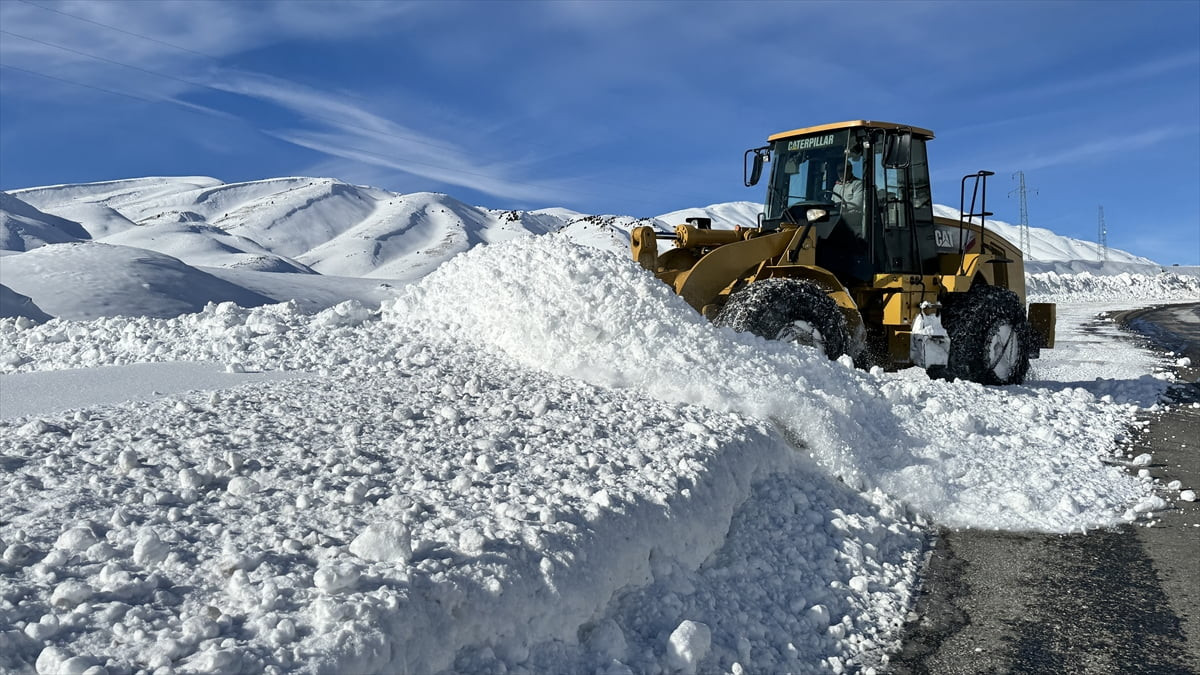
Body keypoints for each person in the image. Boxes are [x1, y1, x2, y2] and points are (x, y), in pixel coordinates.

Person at [831, 163, 865, 236]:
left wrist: (841, 206)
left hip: (853, 223)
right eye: (839, 171)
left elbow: (858, 203)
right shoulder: (836, 187)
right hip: (836, 220)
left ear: (850, 170)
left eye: (843, 171)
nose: (840, 174)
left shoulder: (858, 184)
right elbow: (833, 202)